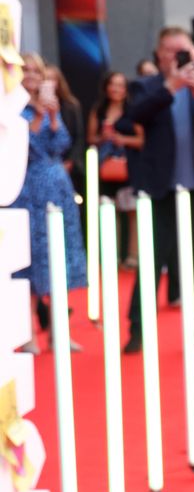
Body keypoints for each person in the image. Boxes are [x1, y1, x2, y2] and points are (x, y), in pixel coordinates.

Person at [121, 25, 194, 353]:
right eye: (171, 52)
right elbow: (132, 119)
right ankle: (138, 328)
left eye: (184, 51)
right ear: (160, 55)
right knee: (153, 258)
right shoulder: (146, 86)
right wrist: (169, 88)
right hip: (161, 186)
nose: (178, 57)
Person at [11, 54, 88, 352]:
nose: (30, 75)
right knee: (27, 262)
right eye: (25, 69)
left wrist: (53, 116)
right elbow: (20, 146)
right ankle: (27, 333)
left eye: (35, 70)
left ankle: (59, 332)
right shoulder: (11, 108)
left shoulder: (49, 104)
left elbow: (61, 144)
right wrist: (41, 116)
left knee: (59, 257)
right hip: (25, 189)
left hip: (57, 189)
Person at [88, 70, 145, 268]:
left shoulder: (133, 110)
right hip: (105, 166)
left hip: (129, 166)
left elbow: (141, 139)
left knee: (131, 212)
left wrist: (123, 140)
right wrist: (103, 138)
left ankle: (132, 256)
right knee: (108, 210)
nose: (116, 89)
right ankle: (111, 256)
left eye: (121, 85)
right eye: (113, 84)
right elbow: (90, 138)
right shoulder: (99, 110)